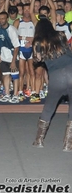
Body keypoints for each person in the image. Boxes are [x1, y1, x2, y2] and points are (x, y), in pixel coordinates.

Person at [32, 18, 72, 151]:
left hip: (56, 75)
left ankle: (38, 140)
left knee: (49, 107)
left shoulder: (38, 41)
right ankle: (68, 144)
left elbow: (37, 59)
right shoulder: (60, 35)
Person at [0, 12, 20, 103]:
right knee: (5, 75)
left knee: (15, 75)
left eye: (3, 18)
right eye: (0, 18)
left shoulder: (12, 30)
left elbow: (17, 47)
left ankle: (16, 95)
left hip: (12, 56)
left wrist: (13, 61)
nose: (1, 20)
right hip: (3, 56)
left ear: (7, 19)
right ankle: (7, 94)